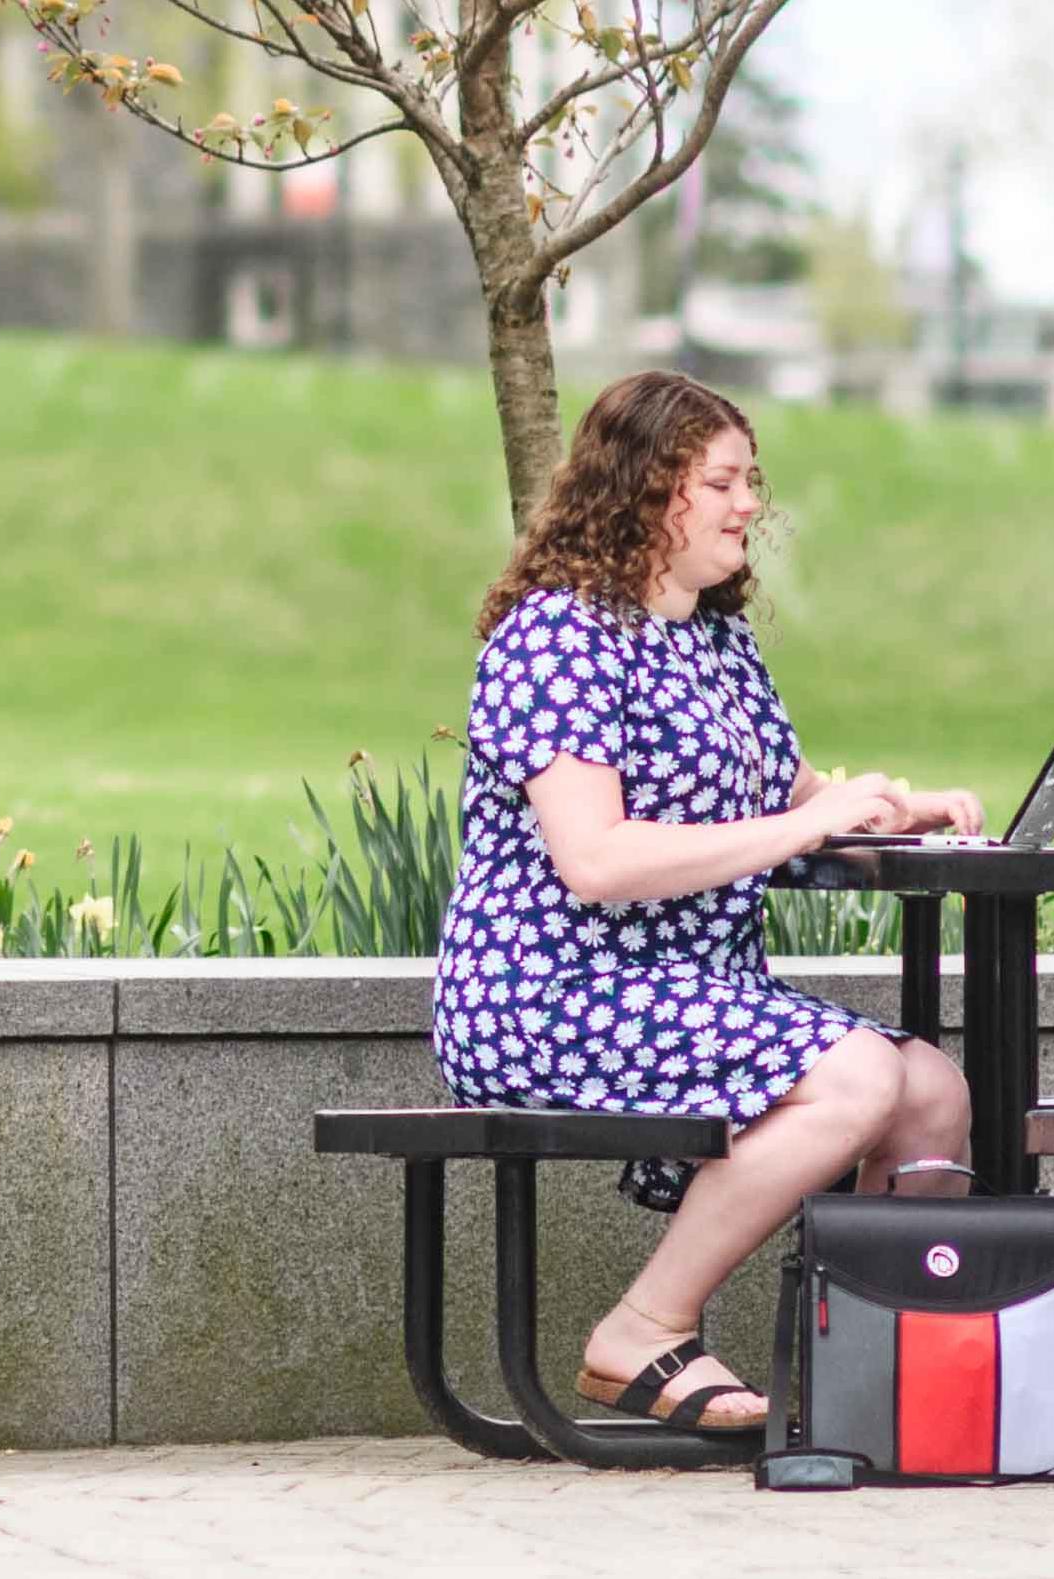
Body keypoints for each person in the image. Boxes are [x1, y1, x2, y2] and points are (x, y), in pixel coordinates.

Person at [429, 369, 988, 1435]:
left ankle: (862, 1384)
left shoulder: (717, 645)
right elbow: (592, 857)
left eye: (750, 482)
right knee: (857, 1074)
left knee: (929, 1090)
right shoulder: (555, 639)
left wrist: (890, 810)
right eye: (722, 481)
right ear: (645, 489)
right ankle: (642, 1328)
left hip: (684, 990)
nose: (748, 506)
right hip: (548, 993)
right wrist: (799, 829)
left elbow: (791, 797)